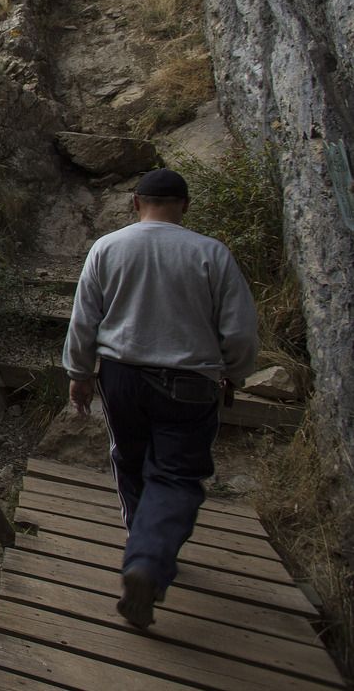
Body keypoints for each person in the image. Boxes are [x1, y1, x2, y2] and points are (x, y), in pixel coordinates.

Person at [63, 168, 258, 630]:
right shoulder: (212, 254)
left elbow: (84, 319)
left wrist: (78, 373)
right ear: (185, 206)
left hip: (122, 375)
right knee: (175, 475)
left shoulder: (108, 247)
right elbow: (240, 331)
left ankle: (142, 547)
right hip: (192, 381)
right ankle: (149, 559)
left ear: (135, 202)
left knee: (130, 460)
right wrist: (235, 372)